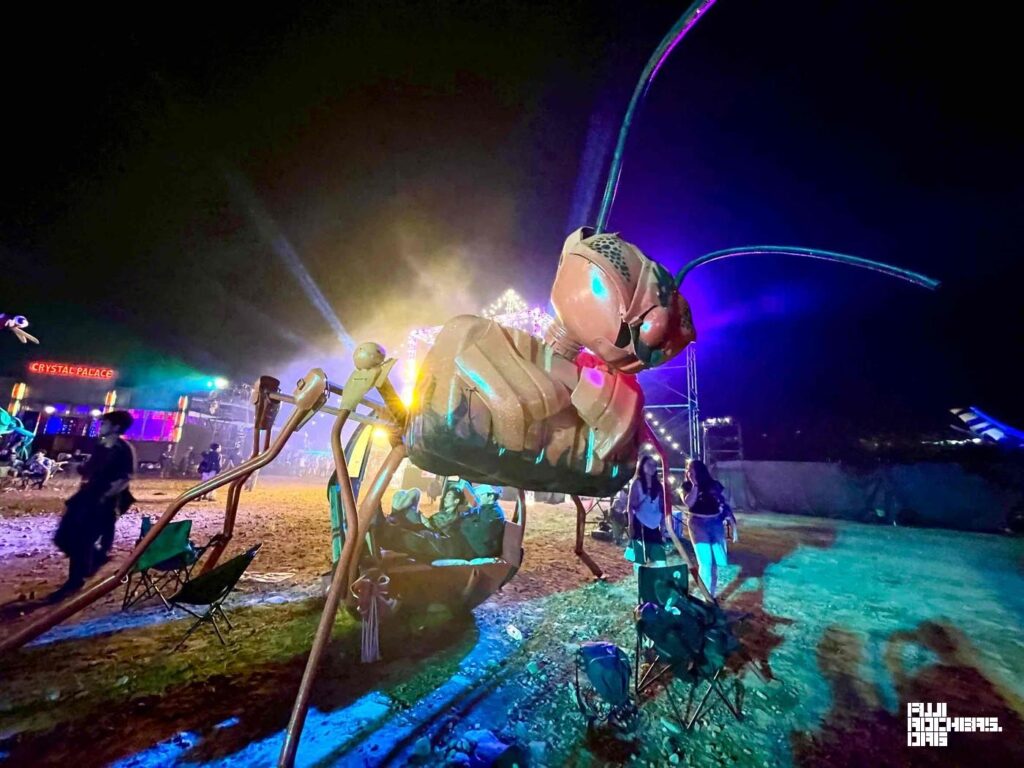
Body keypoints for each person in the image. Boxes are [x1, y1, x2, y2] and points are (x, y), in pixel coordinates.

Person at [51, 410, 136, 600]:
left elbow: (125, 478)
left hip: (103, 501)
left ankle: (75, 581)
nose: (101, 426)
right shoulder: (100, 445)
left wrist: (106, 496)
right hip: (85, 497)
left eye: (105, 423)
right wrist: (80, 467)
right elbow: (89, 469)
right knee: (62, 537)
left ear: (116, 426)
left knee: (82, 541)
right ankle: (96, 558)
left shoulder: (123, 449)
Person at [682, 459, 737, 598]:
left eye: (691, 469)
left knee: (717, 563)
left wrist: (732, 522)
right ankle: (705, 596)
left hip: (715, 523)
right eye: (687, 469)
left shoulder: (714, 485)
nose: (688, 472)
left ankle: (710, 595)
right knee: (705, 562)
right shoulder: (687, 486)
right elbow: (689, 503)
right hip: (697, 524)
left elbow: (723, 503)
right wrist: (695, 485)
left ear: (699, 470)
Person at [627, 455, 667, 567]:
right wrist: (630, 525)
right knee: (639, 559)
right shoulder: (637, 484)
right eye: (649, 464)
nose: (652, 467)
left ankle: (659, 577)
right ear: (642, 466)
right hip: (640, 524)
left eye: (654, 465)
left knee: (660, 560)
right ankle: (640, 577)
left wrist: (663, 526)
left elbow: (662, 507)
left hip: (654, 525)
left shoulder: (658, 486)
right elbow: (630, 506)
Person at [459, 484, 506, 558]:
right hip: (476, 545)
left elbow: (480, 533)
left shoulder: (496, 513)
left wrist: (465, 525)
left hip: (482, 550)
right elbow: (469, 519)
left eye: (480, 495)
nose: (478, 498)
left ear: (490, 496)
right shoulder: (484, 508)